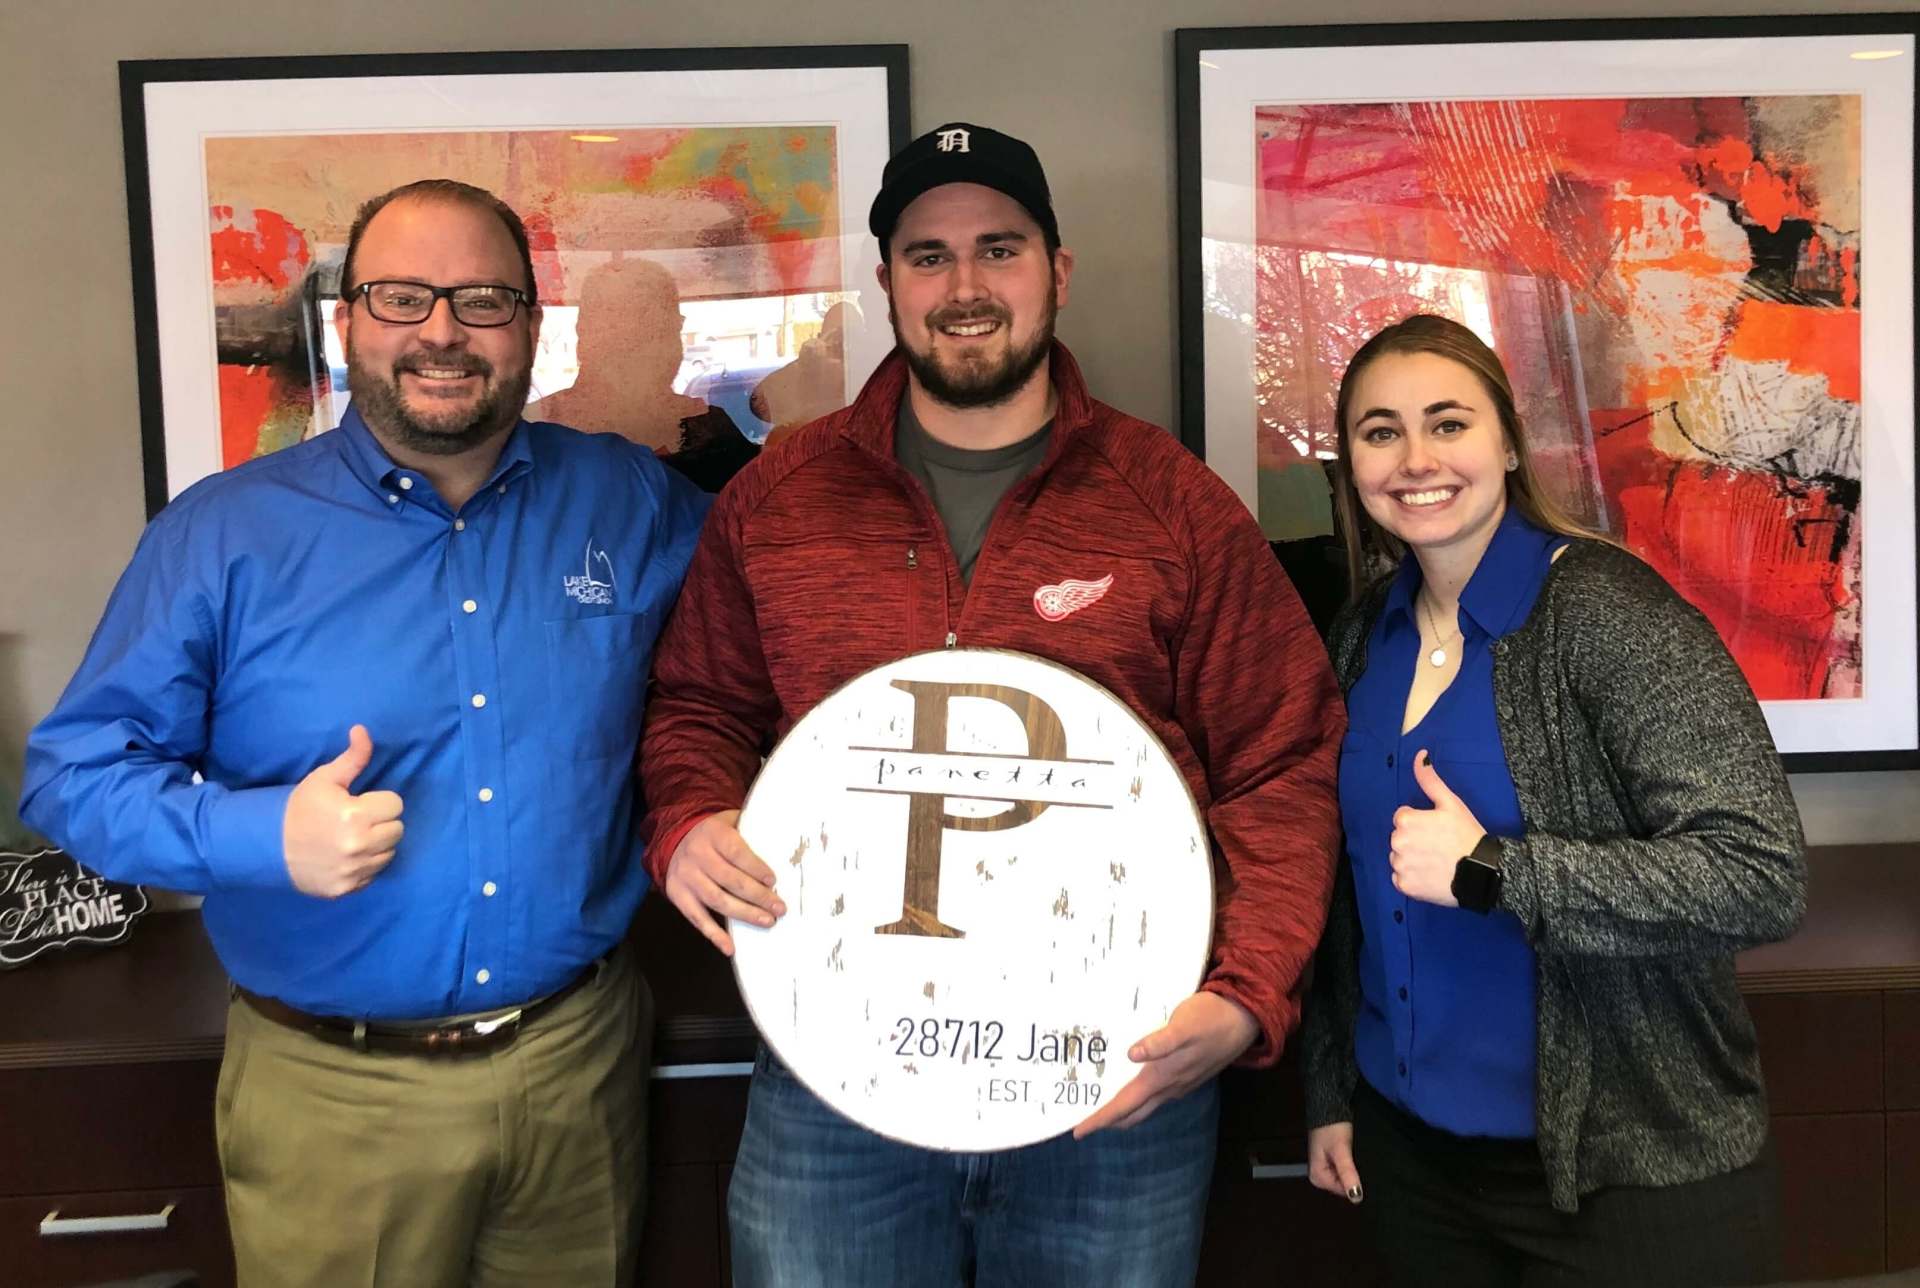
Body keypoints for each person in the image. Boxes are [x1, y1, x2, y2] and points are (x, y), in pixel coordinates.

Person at [637, 122, 1345, 1286]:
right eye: (929, 255)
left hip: (1118, 1078)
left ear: (1057, 270)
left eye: (999, 249)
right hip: (836, 1074)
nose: (964, 286)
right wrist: (687, 820)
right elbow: (698, 706)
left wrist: (1247, 994)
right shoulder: (781, 498)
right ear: (886, 283)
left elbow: (1283, 758)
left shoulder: (1174, 505)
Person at [21, 179, 709, 1287]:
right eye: (401, 297)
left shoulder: (632, 501)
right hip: (336, 1099)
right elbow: (72, 776)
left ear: (532, 324)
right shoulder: (223, 536)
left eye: (482, 299)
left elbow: (750, 653)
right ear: (348, 323)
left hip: (579, 1071)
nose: (442, 330)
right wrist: (261, 837)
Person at [1298, 314, 1807, 1286]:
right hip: (1414, 1164)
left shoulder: (1608, 613)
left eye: (1449, 423)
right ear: (1351, 462)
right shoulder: (1363, 634)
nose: (1416, 459)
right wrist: (1330, 1089)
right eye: (1380, 432)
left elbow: (1760, 874)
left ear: (1508, 444)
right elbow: (1344, 893)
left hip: (1629, 1173)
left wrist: (1494, 870)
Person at [530, 256, 760, 491]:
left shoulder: (712, 430)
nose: (650, 347)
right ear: (586, 333)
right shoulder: (536, 433)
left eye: (665, 328)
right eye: (625, 330)